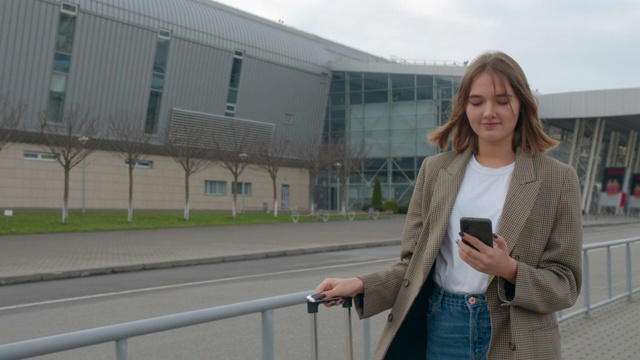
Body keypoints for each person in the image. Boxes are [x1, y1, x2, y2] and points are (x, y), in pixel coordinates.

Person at [312, 51, 583, 360]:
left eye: (502, 100)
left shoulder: (557, 179)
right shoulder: (436, 171)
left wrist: (508, 269)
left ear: (522, 104)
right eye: (477, 101)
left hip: (517, 334)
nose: (488, 112)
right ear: (464, 107)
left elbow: (566, 283)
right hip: (443, 326)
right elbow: (413, 266)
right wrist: (361, 284)